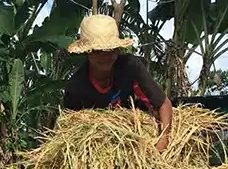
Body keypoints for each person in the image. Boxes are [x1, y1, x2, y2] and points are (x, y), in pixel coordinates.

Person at [63, 14, 173, 150]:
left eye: (111, 50)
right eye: (98, 51)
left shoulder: (130, 67)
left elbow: (163, 103)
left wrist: (163, 140)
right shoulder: (76, 87)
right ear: (87, 53)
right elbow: (69, 131)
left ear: (118, 50)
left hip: (132, 136)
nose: (106, 55)